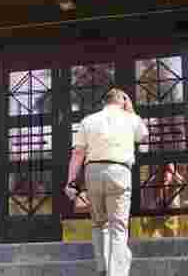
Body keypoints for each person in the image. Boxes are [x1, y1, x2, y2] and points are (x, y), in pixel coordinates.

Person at [64, 88, 149, 276]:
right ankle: (116, 273)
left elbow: (78, 153)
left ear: (105, 102)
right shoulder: (130, 118)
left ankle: (102, 269)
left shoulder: (88, 121)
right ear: (123, 102)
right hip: (119, 171)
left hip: (93, 171)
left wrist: (71, 181)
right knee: (117, 226)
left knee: (99, 224)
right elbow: (143, 136)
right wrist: (132, 111)